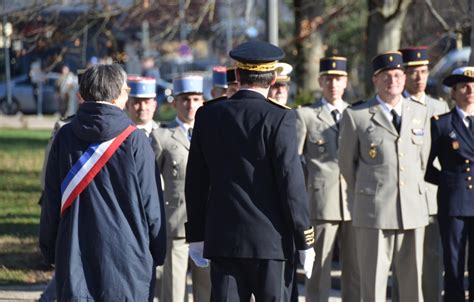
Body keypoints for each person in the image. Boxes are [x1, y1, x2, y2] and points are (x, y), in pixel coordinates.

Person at [184, 40, 315, 301]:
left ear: (238, 74)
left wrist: (197, 235)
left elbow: (196, 181)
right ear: (274, 77)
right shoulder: (279, 117)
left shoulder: (209, 115)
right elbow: (291, 184)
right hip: (271, 243)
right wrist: (304, 239)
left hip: (224, 239)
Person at [39, 64, 164, 301]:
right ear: (118, 95)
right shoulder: (135, 139)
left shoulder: (64, 136)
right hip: (128, 257)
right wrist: (157, 252)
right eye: (126, 90)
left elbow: (51, 198)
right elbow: (152, 204)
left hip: (74, 253)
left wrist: (49, 248)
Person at [339, 51, 431, 301]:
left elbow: (422, 160)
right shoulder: (356, 115)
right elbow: (347, 165)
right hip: (374, 211)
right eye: (386, 76)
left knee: (413, 284)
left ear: (404, 78)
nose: (394, 81)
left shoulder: (419, 112)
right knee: (373, 285)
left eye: (399, 75)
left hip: (412, 209)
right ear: (375, 80)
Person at [296, 56, 360, 302]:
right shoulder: (306, 115)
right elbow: (294, 161)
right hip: (321, 203)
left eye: (339, 78)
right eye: (328, 79)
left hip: (353, 201)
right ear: (320, 81)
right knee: (318, 270)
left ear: (346, 82)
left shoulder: (357, 113)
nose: (333, 84)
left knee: (355, 271)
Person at [150, 74, 210, 302]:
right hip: (176, 223)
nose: (190, 105)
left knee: (206, 289)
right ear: (174, 102)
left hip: (206, 224)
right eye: (185, 99)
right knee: (174, 290)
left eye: (195, 99)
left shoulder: (212, 134)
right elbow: (151, 181)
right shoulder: (162, 136)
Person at [398, 46, 450, 302]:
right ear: (404, 74)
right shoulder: (397, 104)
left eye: (423, 71)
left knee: (432, 258)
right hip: (403, 196)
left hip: (432, 195)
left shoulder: (439, 105)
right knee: (404, 262)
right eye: (413, 72)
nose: (419, 77)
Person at [425, 66, 474, 302]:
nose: (470, 91)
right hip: (453, 203)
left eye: (473, 87)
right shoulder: (442, 124)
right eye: (464, 87)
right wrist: (448, 183)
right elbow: (426, 167)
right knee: (453, 264)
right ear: (453, 93)